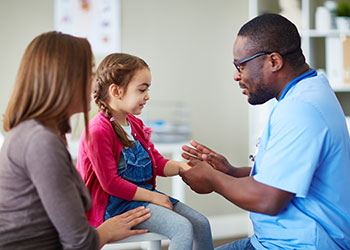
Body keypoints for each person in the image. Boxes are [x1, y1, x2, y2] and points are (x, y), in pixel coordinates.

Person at [179, 13, 350, 250]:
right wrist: (231, 172)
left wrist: (212, 179)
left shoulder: (300, 110)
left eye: (242, 65)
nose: (236, 75)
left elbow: (269, 199)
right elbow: (286, 178)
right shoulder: (307, 93)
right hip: (273, 241)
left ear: (274, 61)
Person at [0, 31, 152, 250]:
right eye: (90, 73)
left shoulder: (37, 134)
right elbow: (80, 243)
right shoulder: (41, 142)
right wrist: (106, 231)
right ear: (64, 79)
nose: (94, 85)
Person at [76, 52, 214, 250]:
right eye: (142, 90)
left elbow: (156, 163)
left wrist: (186, 167)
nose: (147, 96)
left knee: (201, 223)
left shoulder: (135, 124)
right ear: (116, 91)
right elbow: (110, 183)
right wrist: (153, 197)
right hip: (114, 206)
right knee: (182, 228)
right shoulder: (98, 131)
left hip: (142, 197)